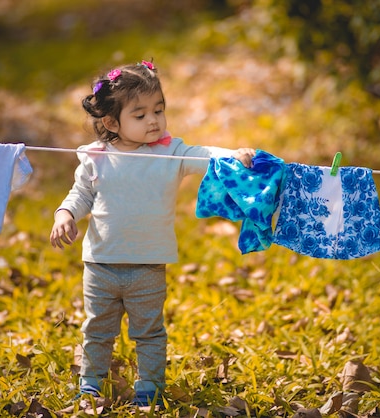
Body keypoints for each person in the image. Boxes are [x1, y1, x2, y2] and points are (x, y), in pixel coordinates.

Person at [49, 60, 255, 408]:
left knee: (149, 333)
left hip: (148, 268)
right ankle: (90, 385)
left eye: (158, 110)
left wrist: (232, 156)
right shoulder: (97, 157)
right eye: (140, 114)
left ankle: (150, 389)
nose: (154, 120)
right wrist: (65, 214)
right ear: (112, 122)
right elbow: (80, 194)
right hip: (101, 266)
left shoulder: (169, 153)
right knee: (97, 331)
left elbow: (203, 155)